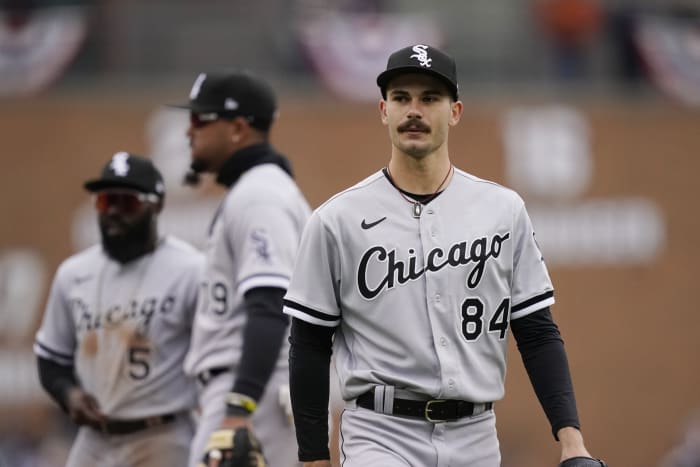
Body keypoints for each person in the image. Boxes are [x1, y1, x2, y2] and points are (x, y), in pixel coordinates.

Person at [282, 44, 605, 466]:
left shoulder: (502, 211)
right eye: (401, 98)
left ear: (455, 112)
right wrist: (312, 458)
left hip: (475, 435)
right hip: (381, 433)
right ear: (383, 110)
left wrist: (572, 441)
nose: (413, 110)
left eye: (429, 98)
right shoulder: (336, 220)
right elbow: (308, 342)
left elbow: (537, 330)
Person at [169, 71, 311, 467]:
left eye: (200, 120)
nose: (188, 132)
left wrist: (239, 406)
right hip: (257, 388)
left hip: (256, 390)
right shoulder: (258, 190)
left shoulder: (260, 195)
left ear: (237, 128)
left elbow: (271, 305)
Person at [34, 151, 204, 467]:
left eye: (127, 203)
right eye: (104, 201)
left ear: (156, 205)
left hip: (163, 434)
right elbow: (51, 357)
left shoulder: (191, 270)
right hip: (95, 438)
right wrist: (69, 395)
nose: (113, 211)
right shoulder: (74, 274)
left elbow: (215, 354)